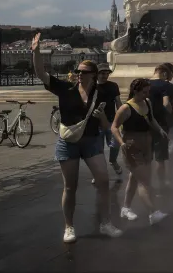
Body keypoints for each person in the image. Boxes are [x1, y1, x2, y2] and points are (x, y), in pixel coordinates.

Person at [31, 33, 122, 243]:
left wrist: (102, 120)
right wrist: (36, 52)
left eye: (84, 72)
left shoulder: (101, 93)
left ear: (93, 74)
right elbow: (41, 74)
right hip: (68, 142)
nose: (79, 74)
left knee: (103, 181)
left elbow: (107, 126)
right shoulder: (66, 89)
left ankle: (106, 222)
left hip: (91, 141)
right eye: (78, 71)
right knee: (70, 186)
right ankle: (69, 226)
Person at [111, 79, 168, 225]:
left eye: (148, 91)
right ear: (135, 91)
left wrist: (159, 129)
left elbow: (151, 119)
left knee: (135, 178)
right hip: (132, 147)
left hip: (147, 145)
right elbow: (114, 127)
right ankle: (152, 212)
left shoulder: (147, 102)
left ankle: (126, 208)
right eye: (144, 92)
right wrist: (121, 142)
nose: (147, 94)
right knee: (145, 181)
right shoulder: (126, 108)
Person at [92, 63, 123, 185]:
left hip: (111, 121)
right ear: (97, 74)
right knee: (98, 150)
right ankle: (99, 174)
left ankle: (113, 161)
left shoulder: (113, 86)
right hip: (96, 122)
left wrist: (122, 117)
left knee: (116, 144)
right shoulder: (92, 86)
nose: (105, 76)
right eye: (102, 73)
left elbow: (118, 102)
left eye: (107, 73)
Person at [148, 65, 173, 189]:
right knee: (160, 158)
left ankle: (146, 183)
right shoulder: (166, 86)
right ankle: (161, 184)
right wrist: (167, 114)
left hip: (144, 125)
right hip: (161, 125)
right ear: (164, 74)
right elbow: (167, 105)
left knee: (146, 157)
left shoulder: (142, 83)